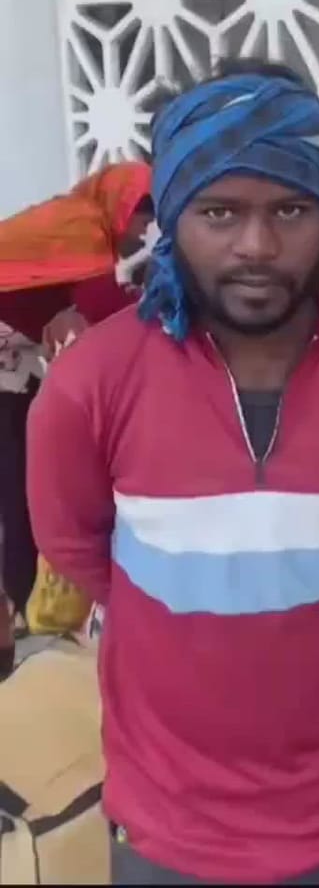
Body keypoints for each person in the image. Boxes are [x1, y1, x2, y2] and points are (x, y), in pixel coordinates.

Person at [26, 58, 319, 887]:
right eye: (220, 211)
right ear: (173, 213)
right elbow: (78, 547)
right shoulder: (89, 387)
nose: (257, 246)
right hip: (167, 815)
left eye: (290, 209)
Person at [0, 162, 153, 665]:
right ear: (121, 207)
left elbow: (77, 307)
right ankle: (25, 607)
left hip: (15, 364)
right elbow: (105, 310)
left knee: (22, 478)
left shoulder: (73, 220)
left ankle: (22, 605)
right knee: (21, 485)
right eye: (142, 217)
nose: (143, 232)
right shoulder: (84, 229)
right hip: (7, 367)